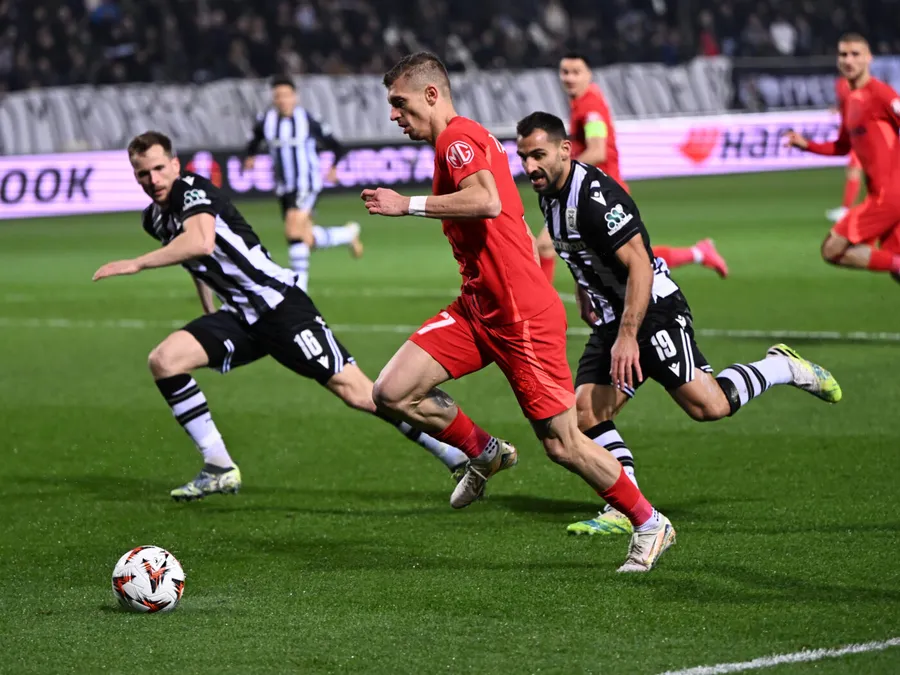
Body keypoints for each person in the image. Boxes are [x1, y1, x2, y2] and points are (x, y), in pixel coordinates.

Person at [361, 52, 676, 573]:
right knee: (391, 392)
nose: (394, 113)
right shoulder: (460, 139)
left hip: (520, 317)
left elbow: (485, 201)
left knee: (563, 444)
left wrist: (406, 204)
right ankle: (485, 452)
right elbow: (503, 212)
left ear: (431, 95)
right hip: (478, 307)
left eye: (399, 101)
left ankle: (649, 522)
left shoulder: (457, 139)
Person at [92, 131, 469, 502]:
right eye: (143, 173)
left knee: (360, 394)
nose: (153, 179)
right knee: (164, 361)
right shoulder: (154, 219)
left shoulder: (190, 189)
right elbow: (196, 262)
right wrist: (209, 312)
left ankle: (455, 454)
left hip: (280, 306)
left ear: (175, 165)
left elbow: (200, 242)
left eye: (159, 168)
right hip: (240, 317)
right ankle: (219, 467)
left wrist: (136, 263)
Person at [515, 112, 842, 536]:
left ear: (564, 150)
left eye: (538, 155)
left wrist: (628, 337)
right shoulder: (550, 192)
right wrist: (583, 290)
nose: (530, 166)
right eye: (523, 157)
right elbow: (578, 247)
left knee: (708, 407)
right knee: (584, 413)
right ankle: (624, 505)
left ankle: (782, 366)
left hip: (652, 312)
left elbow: (640, 265)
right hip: (613, 318)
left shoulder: (596, 198)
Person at [534, 52, 729, 287]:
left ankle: (698, 253)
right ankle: (698, 253)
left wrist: (561, 173)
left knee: (627, 259)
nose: (569, 78)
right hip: (588, 191)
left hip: (602, 195)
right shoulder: (582, 102)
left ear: (589, 74)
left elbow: (598, 151)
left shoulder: (590, 108)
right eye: (565, 72)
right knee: (601, 256)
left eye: (576, 72)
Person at [787, 34, 900, 278]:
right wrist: (807, 145)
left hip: (889, 197)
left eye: (855, 54)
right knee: (894, 266)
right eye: (843, 55)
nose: (848, 60)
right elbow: (842, 146)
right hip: (883, 196)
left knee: (832, 249)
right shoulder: (849, 100)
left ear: (869, 58)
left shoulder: (881, 94)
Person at [245, 75, 362, 292]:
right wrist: (250, 157)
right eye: (278, 96)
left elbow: (336, 146)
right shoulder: (267, 121)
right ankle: (346, 234)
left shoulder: (307, 120)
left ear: (295, 97)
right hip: (283, 188)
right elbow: (254, 140)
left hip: (305, 184)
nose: (282, 100)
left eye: (286, 95)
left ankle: (300, 289)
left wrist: (334, 168)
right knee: (305, 238)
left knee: (292, 230)